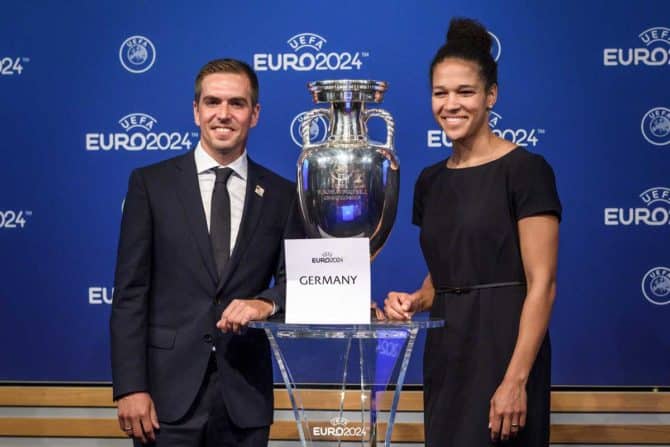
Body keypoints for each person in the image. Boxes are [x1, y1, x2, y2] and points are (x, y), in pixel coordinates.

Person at [383, 18, 561, 446]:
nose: (451, 104)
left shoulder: (525, 171)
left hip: (504, 348)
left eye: (465, 92)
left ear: (491, 96)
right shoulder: (429, 180)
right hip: (447, 350)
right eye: (440, 93)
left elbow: (543, 284)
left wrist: (515, 380)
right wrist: (416, 300)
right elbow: (444, 274)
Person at [110, 58, 301, 446]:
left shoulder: (282, 194)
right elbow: (130, 293)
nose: (224, 114)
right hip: (164, 399)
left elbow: (299, 280)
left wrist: (266, 303)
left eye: (237, 103)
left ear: (255, 114)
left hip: (244, 396)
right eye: (213, 102)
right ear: (196, 111)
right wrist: (130, 388)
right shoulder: (151, 184)